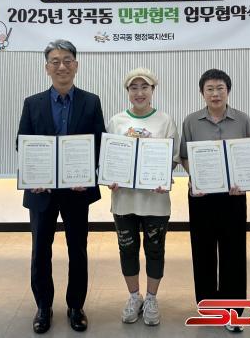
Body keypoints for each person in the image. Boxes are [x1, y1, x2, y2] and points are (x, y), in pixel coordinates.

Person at [17, 39, 105, 334]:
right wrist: (34, 175)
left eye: (67, 60)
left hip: (77, 190)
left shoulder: (91, 101)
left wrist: (87, 174)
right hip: (41, 192)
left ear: (76, 65)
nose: (62, 66)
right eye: (55, 61)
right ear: (47, 68)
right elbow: (22, 143)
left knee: (77, 249)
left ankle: (76, 306)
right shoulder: (32, 103)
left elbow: (99, 143)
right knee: (40, 250)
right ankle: (43, 307)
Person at [180, 69, 250, 334]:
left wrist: (243, 182)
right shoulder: (191, 121)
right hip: (201, 197)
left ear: (228, 91)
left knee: (233, 252)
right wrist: (196, 178)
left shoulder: (243, 120)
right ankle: (209, 308)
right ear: (202, 93)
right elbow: (184, 156)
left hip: (233, 197)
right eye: (210, 89)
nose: (215, 93)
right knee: (202, 251)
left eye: (220, 88)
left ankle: (234, 311)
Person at [106, 68, 180, 326]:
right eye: (134, 88)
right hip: (124, 200)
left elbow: (172, 158)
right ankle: (134, 297)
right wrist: (110, 176)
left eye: (144, 87)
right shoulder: (116, 121)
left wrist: (162, 176)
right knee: (127, 250)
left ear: (153, 90)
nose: (139, 92)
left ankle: (151, 299)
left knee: (155, 250)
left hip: (155, 202)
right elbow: (109, 156)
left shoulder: (165, 121)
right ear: (128, 92)